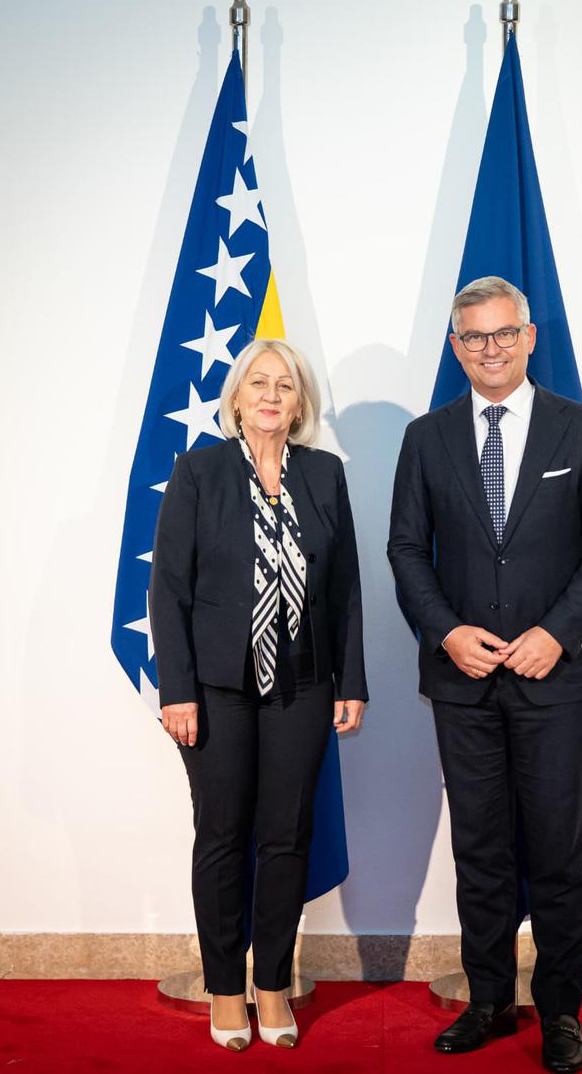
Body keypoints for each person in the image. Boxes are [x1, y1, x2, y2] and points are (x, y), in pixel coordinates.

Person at [387, 276, 582, 1072]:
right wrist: (447, 631)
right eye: (474, 337)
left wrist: (556, 634)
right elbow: (404, 549)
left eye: (502, 334)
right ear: (455, 347)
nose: (489, 349)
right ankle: (488, 1000)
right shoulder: (427, 438)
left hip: (558, 681)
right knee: (481, 850)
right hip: (463, 682)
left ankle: (560, 1011)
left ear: (528, 338)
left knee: (558, 853)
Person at [150, 339, 367, 1052]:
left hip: (302, 685)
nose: (272, 395)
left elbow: (345, 589)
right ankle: (224, 988)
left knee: (286, 836)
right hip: (217, 690)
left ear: (300, 403)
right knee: (221, 836)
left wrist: (351, 680)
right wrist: (177, 689)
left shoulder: (325, 474)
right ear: (237, 398)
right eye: (259, 383)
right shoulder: (199, 472)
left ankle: (271, 985)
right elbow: (169, 588)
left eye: (285, 385)